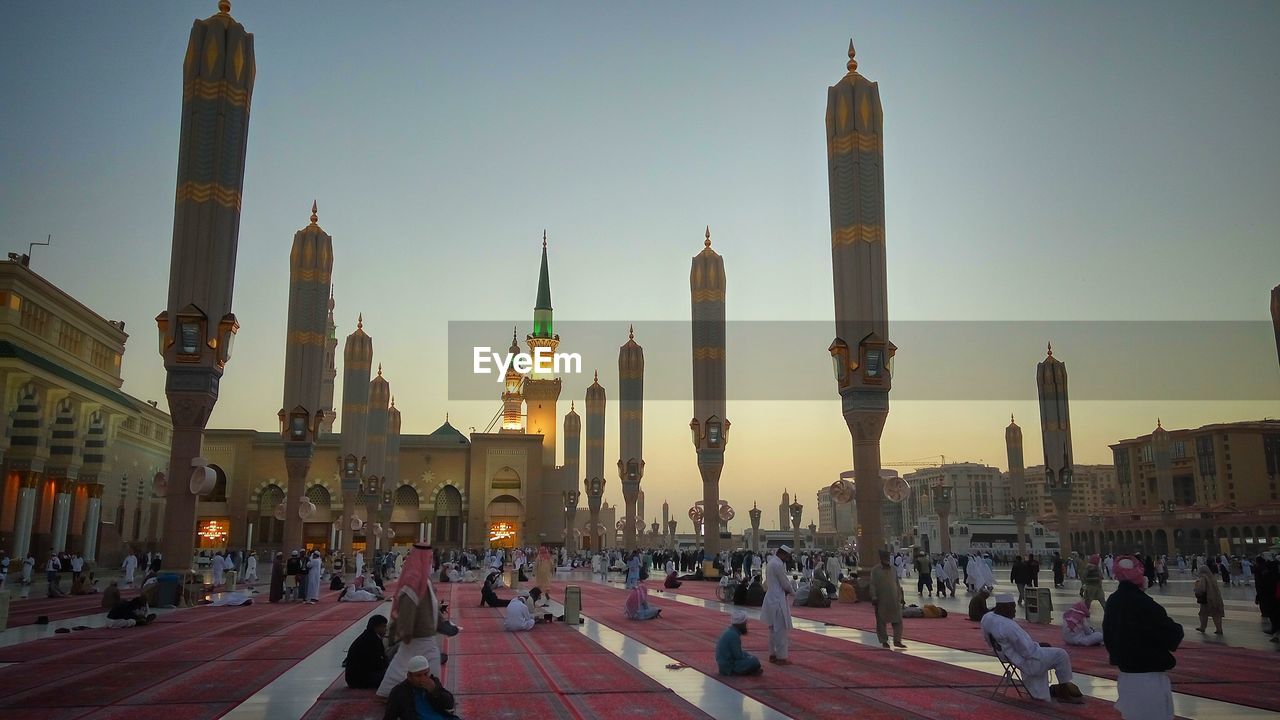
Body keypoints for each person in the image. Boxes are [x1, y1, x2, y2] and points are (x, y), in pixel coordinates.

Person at [1103, 555, 1184, 719]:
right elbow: (1171, 635)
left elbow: (1108, 635)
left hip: (1126, 676)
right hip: (1149, 679)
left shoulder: (1113, 601)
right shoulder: (1144, 603)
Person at [981, 594, 1083, 703]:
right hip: (1027, 662)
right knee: (1061, 655)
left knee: (1049, 652)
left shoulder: (987, 618)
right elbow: (1028, 651)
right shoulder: (1008, 626)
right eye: (1013, 607)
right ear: (1004, 608)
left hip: (1008, 657)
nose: (1015, 611)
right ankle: (1063, 693)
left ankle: (1046, 691)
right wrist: (1041, 646)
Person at [378, 544, 442, 698]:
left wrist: (442, 623)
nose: (430, 561)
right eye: (428, 558)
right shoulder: (413, 580)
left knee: (405, 663)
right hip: (416, 635)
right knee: (406, 664)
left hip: (425, 635)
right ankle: (432, 695)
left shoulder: (424, 580)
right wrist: (405, 632)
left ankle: (390, 692)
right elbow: (407, 608)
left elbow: (432, 606)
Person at [382, 655, 458, 720]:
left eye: (426, 674)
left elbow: (449, 704)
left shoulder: (433, 683)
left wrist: (435, 691)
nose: (423, 679)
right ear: (409, 676)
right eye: (418, 676)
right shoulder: (399, 692)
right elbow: (389, 717)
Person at [762, 545, 795, 665]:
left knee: (772, 630)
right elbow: (784, 582)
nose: (787, 558)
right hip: (777, 600)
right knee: (780, 629)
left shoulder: (771, 562)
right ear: (783, 554)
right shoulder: (777, 564)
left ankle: (773, 654)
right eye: (787, 556)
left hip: (771, 598)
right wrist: (792, 592)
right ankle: (781, 657)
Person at [870, 549, 906, 649]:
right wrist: (874, 596)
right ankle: (884, 640)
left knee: (898, 621)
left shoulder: (893, 569)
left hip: (894, 599)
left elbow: (897, 584)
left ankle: (897, 641)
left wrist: (901, 597)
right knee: (881, 621)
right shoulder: (875, 570)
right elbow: (872, 585)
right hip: (882, 599)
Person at [344, 614, 391, 689]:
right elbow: (376, 664)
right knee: (394, 676)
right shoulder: (371, 641)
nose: (386, 629)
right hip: (360, 679)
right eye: (384, 627)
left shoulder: (369, 636)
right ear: (376, 627)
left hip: (355, 678)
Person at [716, 609, 763, 676]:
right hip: (729, 667)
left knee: (747, 655)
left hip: (725, 664)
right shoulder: (734, 635)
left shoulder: (730, 631)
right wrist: (749, 658)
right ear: (741, 624)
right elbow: (738, 656)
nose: (746, 626)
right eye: (745, 623)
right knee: (754, 661)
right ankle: (740, 672)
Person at [1193, 564, 1224, 635]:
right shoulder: (1212, 577)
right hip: (1216, 598)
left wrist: (1196, 587)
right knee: (1216, 614)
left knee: (1203, 613)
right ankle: (1219, 629)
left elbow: (1202, 589)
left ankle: (1202, 627)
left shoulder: (1202, 578)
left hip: (1207, 599)